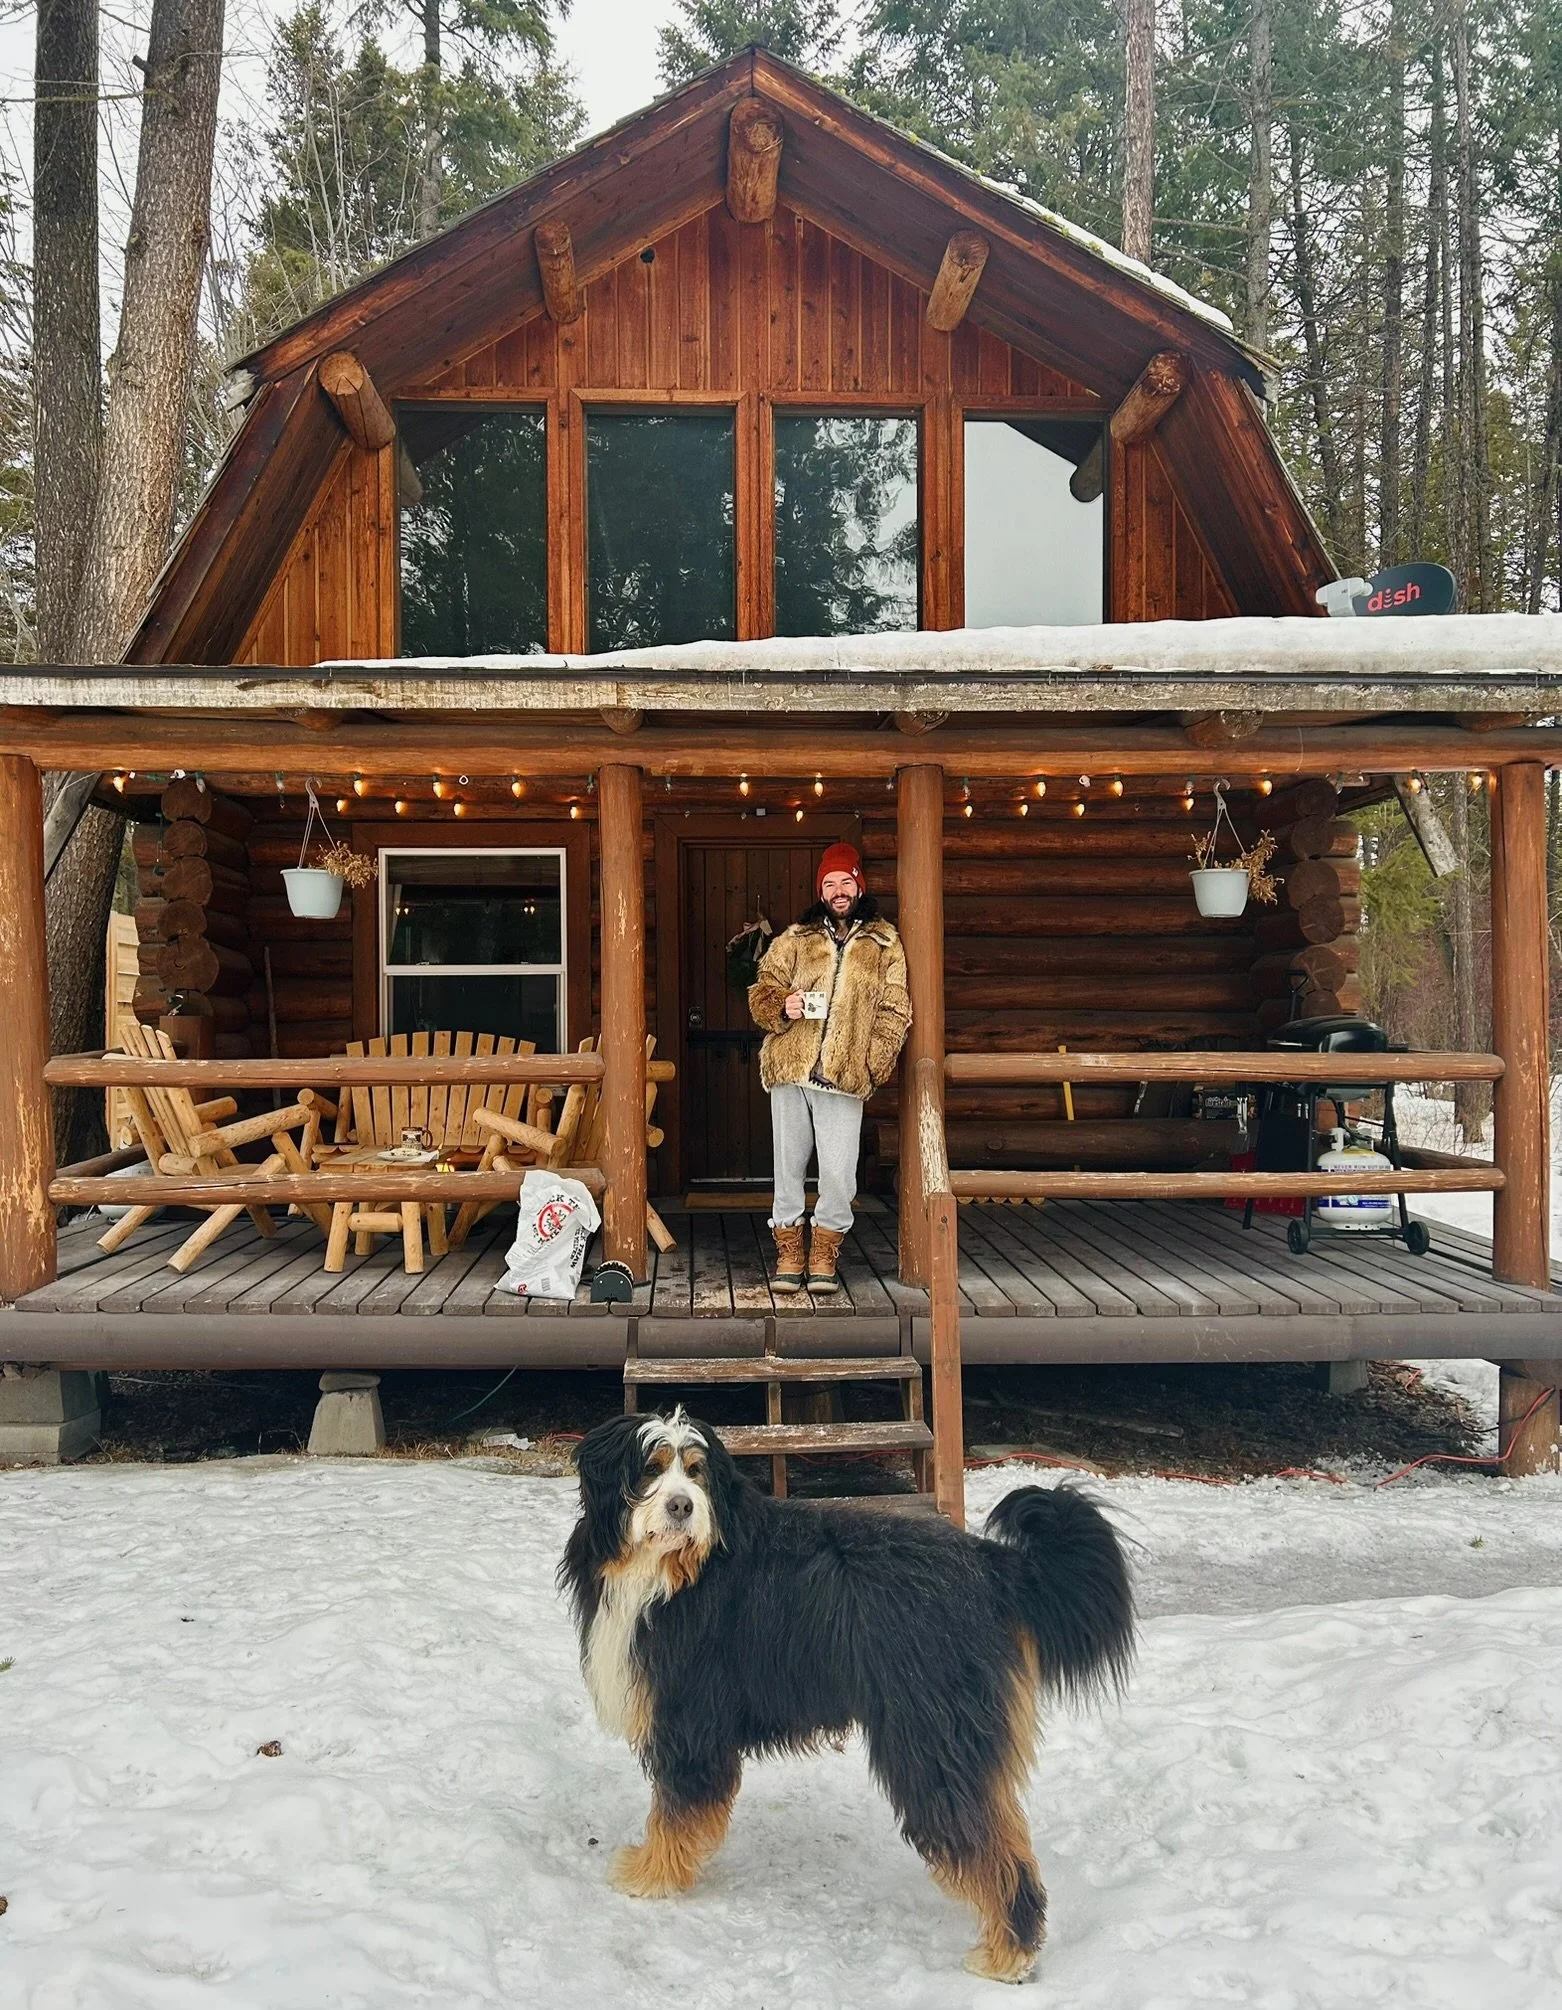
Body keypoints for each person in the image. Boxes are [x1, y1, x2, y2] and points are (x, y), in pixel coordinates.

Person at [747, 842, 911, 1293]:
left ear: (859, 884)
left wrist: (871, 1065)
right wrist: (785, 1004)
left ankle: (824, 1249)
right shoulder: (795, 939)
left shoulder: (884, 943)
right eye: (829, 884)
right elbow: (761, 993)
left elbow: (895, 1011)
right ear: (821, 891)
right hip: (791, 1070)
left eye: (845, 882)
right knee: (789, 1166)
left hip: (843, 1076)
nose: (838, 891)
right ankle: (788, 1248)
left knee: (839, 1173)